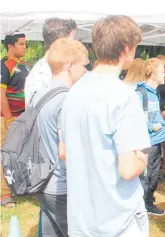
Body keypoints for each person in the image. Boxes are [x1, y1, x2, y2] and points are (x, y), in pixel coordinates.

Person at [61, 15, 150, 237]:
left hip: (82, 218)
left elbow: (63, 152)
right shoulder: (125, 97)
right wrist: (143, 157)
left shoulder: (73, 92)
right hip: (119, 220)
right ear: (127, 48)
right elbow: (129, 169)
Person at [29, 38, 89, 237]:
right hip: (62, 185)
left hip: (42, 180)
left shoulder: (40, 93)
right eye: (83, 66)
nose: (85, 72)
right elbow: (66, 151)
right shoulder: (66, 98)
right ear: (70, 65)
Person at [134, 58, 165, 216]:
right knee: (145, 177)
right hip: (146, 143)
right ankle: (141, 207)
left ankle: (148, 203)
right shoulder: (140, 93)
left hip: (157, 142)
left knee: (154, 175)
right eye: (162, 71)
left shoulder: (155, 93)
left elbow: (153, 115)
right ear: (154, 74)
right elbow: (135, 118)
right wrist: (151, 127)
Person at [1, 32, 29, 208]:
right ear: (10, 46)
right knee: (3, 155)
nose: (24, 47)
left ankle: (21, 187)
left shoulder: (25, 65)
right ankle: (4, 194)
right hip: (6, 119)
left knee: (20, 155)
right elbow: (1, 95)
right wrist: (9, 119)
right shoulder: (4, 65)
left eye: (25, 44)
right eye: (21, 44)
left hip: (23, 118)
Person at [25, 18, 77, 107]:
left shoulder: (49, 68)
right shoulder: (44, 74)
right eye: (72, 40)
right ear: (59, 41)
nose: (76, 45)